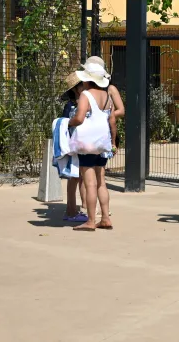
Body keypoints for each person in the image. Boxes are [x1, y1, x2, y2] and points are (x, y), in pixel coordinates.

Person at [69, 61, 117, 232]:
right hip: (102, 142)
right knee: (101, 182)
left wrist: (69, 122)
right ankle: (105, 218)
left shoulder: (86, 95)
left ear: (87, 80)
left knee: (89, 183)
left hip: (87, 143)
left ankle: (90, 220)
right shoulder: (107, 96)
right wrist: (112, 142)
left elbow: (80, 117)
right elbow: (112, 121)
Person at [56, 72, 85, 222]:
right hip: (74, 145)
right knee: (73, 177)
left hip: (82, 144)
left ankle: (79, 208)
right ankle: (71, 211)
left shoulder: (84, 101)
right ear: (75, 88)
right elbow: (66, 124)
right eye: (82, 84)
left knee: (80, 176)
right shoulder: (70, 106)